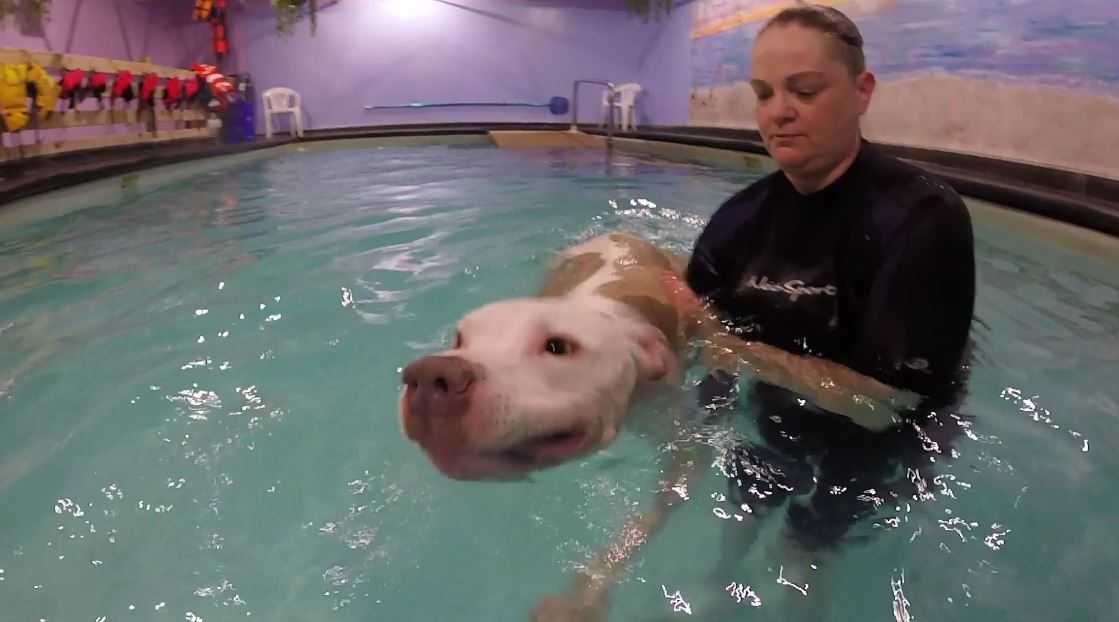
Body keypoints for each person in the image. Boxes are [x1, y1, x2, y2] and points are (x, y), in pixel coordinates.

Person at [672, 1, 977, 595]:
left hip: (877, 444)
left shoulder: (921, 218)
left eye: (804, 91)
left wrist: (738, 353)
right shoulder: (737, 223)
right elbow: (695, 353)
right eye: (763, 94)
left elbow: (887, 406)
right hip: (778, 419)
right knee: (733, 534)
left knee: (798, 557)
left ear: (862, 91)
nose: (778, 113)